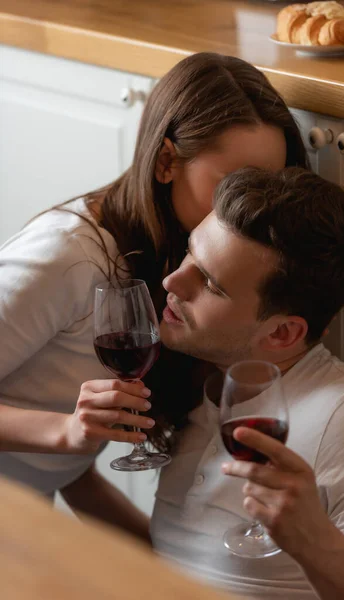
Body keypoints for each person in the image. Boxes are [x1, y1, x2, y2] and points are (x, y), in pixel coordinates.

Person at [0, 52, 308, 538]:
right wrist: (67, 433)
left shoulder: (172, 267)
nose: (251, 213)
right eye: (230, 187)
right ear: (167, 162)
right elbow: (65, 441)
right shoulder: (68, 258)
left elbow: (67, 473)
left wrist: (163, 563)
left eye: (264, 188)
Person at [151, 167, 344, 599]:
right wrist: (76, 472)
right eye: (191, 253)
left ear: (282, 334)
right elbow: (179, 563)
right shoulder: (205, 389)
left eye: (209, 283)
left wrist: (312, 540)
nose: (173, 281)